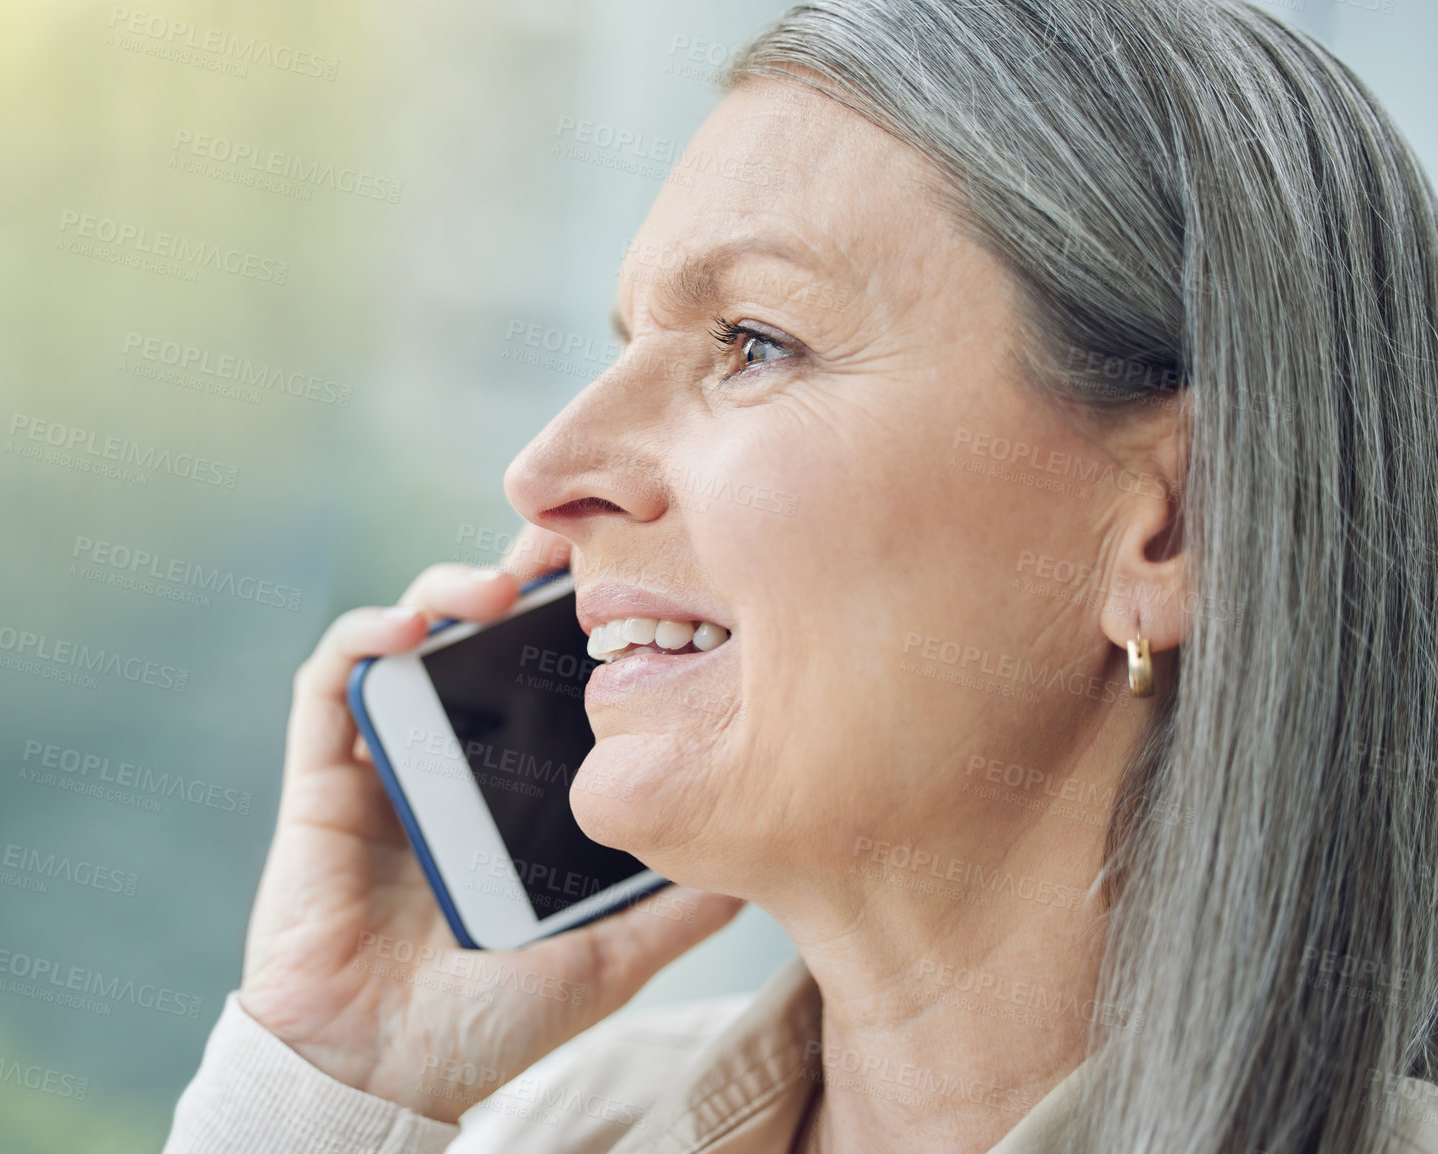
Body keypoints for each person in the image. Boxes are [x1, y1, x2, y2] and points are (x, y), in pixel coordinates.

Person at [164, 0, 1438, 1150]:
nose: (547, 471)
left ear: (1172, 529)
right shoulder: (553, 1128)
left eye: (755, 342)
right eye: (628, 348)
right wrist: (342, 1074)